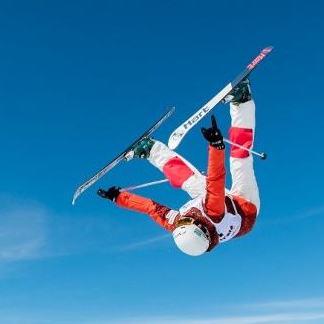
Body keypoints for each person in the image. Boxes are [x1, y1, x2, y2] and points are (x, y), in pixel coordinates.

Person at [97, 79, 260, 256]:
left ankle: (150, 149)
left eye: (183, 221)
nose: (185, 217)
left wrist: (118, 197)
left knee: (187, 180)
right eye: (187, 220)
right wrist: (216, 146)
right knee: (240, 160)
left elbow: (151, 208)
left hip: (218, 210)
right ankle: (243, 100)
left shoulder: (178, 223)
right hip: (245, 208)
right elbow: (216, 180)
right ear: (200, 227)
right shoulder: (213, 211)